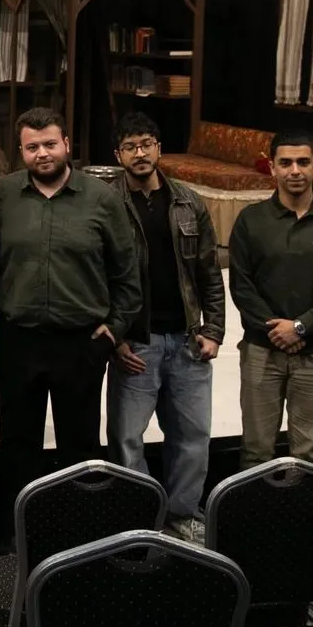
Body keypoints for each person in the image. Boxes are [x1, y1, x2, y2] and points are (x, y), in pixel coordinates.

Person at [0, 107, 141, 519]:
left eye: (50, 144)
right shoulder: (1, 196)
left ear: (67, 144)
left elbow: (127, 273)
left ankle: (79, 533)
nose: (42, 154)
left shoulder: (102, 198)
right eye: (32, 147)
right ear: (21, 151)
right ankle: (18, 532)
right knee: (17, 443)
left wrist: (114, 329)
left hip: (82, 342)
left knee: (80, 446)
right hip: (18, 338)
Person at [105, 113, 224, 544]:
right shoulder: (106, 203)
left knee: (193, 437)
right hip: (136, 343)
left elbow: (209, 272)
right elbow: (97, 276)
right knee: (126, 439)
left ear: (158, 148)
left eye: (146, 144)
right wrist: (115, 338)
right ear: (118, 155)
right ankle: (140, 519)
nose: (140, 153)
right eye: (130, 146)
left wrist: (214, 329)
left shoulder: (189, 202)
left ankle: (181, 514)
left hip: (188, 340)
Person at [229, 128, 313, 467]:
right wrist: (277, 331)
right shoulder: (251, 220)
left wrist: (301, 327)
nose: (295, 170)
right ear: (272, 167)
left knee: (308, 453)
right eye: (286, 163)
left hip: (312, 353)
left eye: (304, 162)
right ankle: (254, 506)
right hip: (261, 351)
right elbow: (241, 285)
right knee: (256, 451)